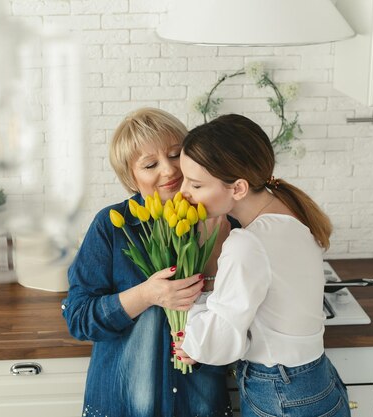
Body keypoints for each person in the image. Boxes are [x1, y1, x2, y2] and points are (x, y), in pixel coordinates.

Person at [174, 114, 351, 417]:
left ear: (238, 188)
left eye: (196, 184)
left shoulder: (247, 243)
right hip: (317, 381)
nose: (183, 193)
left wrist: (192, 340)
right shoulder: (291, 214)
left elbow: (219, 339)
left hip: (281, 391)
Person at [62, 108, 233, 417]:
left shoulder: (224, 220)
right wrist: (147, 295)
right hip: (123, 405)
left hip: (199, 404)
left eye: (176, 155)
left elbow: (239, 315)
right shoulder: (112, 227)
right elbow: (79, 318)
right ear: (131, 177)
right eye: (151, 164)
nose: (169, 171)